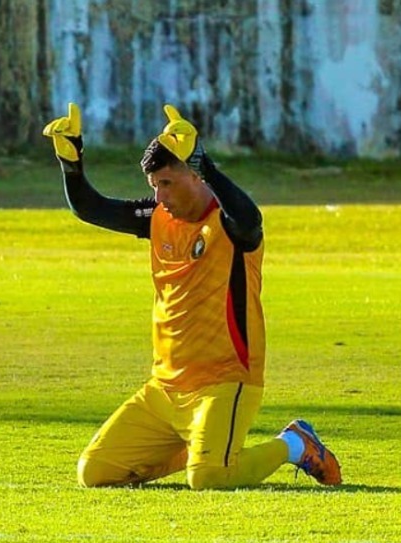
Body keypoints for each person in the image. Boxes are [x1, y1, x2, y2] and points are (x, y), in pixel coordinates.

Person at [41, 102, 342, 490]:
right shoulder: (158, 218)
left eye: (167, 183)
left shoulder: (229, 224)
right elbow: (90, 207)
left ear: (196, 177)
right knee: (95, 473)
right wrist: (72, 161)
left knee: (209, 478)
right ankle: (204, 443)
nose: (160, 196)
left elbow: (251, 220)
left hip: (224, 382)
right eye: (154, 186)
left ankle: (294, 444)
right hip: (164, 388)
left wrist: (207, 165)